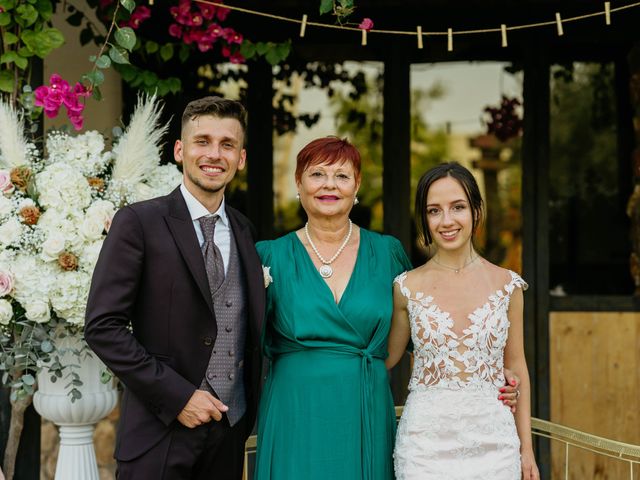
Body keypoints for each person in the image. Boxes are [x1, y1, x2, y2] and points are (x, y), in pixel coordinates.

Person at [253, 138, 520, 480]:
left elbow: (428, 333)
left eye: (342, 176)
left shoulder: (387, 253)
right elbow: (242, 339)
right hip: (295, 410)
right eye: (317, 174)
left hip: (365, 408)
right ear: (298, 182)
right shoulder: (268, 256)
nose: (329, 185)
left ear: (357, 184)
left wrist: (492, 377)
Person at [85, 96, 265, 480]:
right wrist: (178, 396)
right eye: (202, 141)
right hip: (158, 432)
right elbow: (103, 327)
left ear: (242, 158)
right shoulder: (139, 222)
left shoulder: (246, 231)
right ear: (180, 150)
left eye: (227, 144)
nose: (214, 154)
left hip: (229, 432)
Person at [387, 162, 539, 480]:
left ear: (476, 211)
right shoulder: (405, 287)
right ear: (424, 220)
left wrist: (527, 450)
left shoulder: (508, 286)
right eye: (433, 211)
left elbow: (517, 367)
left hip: (494, 444)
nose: (447, 221)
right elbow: (384, 359)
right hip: (423, 447)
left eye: (458, 207)